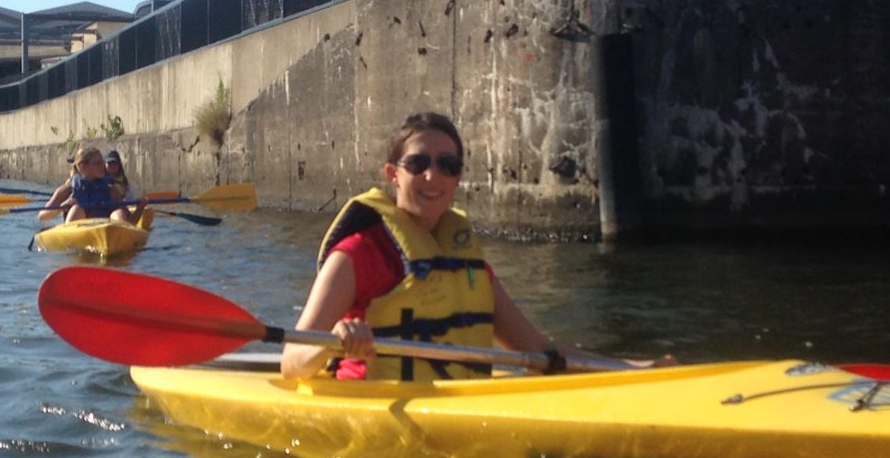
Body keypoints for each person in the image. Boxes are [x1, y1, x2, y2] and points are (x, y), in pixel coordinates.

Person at [280, 111, 663, 382]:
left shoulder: (466, 262)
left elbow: (537, 350)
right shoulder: (358, 254)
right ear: (392, 174)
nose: (433, 176)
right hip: (369, 404)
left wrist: (629, 369)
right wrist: (333, 343)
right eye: (418, 163)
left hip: (458, 403)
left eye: (448, 165)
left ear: (459, 176)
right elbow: (291, 362)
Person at [41, 145, 144, 225]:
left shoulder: (111, 190)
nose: (103, 166)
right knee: (77, 210)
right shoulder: (67, 190)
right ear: (83, 166)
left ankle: (117, 239)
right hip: (79, 231)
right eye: (98, 163)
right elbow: (42, 216)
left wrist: (140, 208)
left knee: (119, 213)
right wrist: (62, 207)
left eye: (102, 163)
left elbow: (131, 223)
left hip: (105, 232)